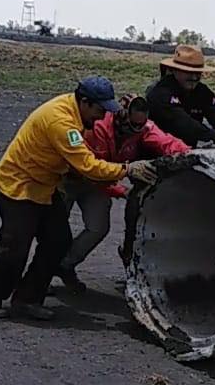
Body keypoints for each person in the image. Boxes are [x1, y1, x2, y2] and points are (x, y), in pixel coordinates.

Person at [0, 77, 157, 320]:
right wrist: (128, 169)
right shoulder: (61, 122)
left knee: (58, 242)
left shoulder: (73, 112)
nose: (102, 117)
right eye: (99, 110)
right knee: (15, 248)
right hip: (19, 187)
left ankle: (27, 299)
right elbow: (88, 166)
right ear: (84, 102)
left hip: (45, 188)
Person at [59, 94, 189, 290]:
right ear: (121, 116)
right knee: (54, 229)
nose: (136, 131)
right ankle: (38, 279)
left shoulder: (142, 128)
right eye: (132, 125)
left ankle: (64, 265)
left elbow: (166, 142)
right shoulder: (95, 127)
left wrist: (190, 154)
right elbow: (87, 168)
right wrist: (121, 188)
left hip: (102, 180)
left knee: (98, 227)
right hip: (69, 177)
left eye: (140, 126)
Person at [146, 44, 215, 146]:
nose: (194, 77)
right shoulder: (160, 93)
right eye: (189, 72)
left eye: (198, 73)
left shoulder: (202, 91)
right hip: (158, 150)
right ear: (175, 70)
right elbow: (183, 123)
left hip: (187, 150)